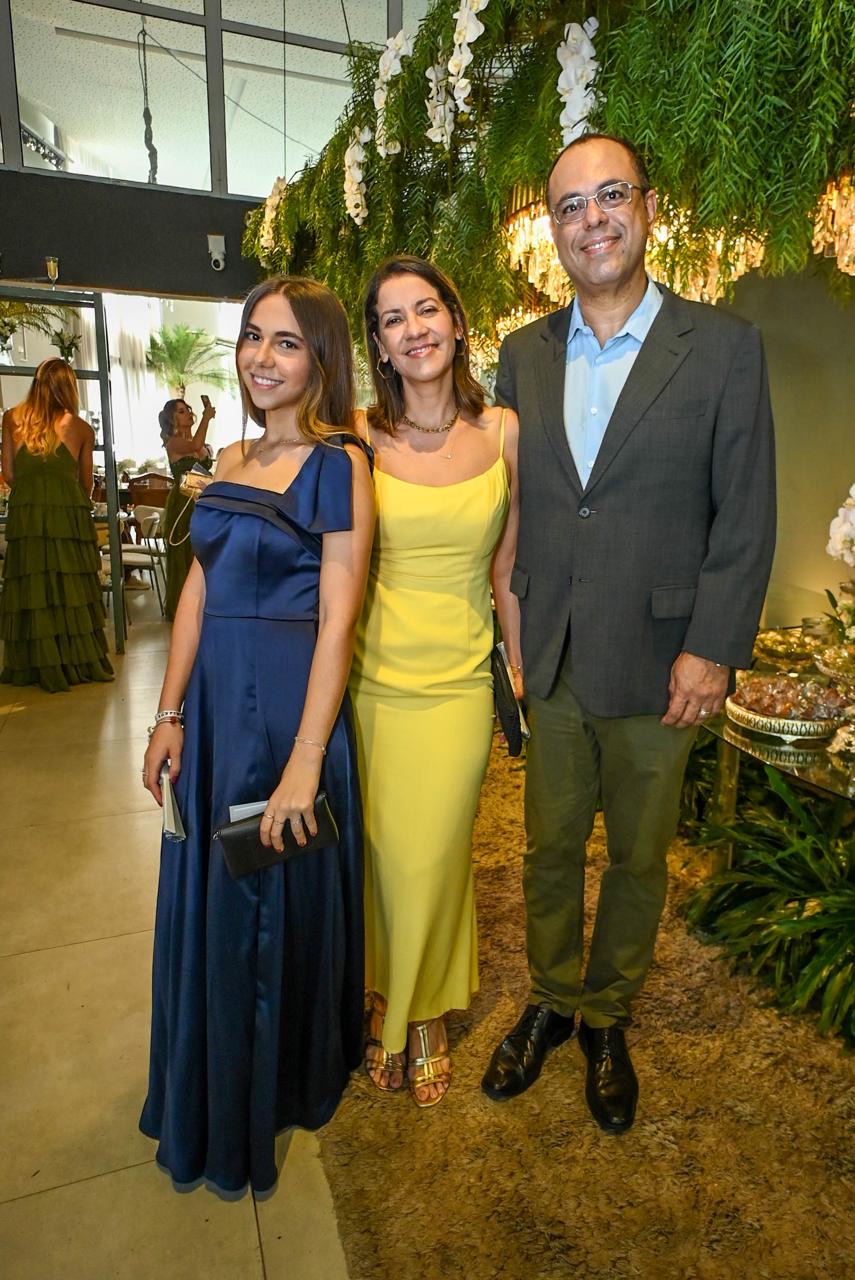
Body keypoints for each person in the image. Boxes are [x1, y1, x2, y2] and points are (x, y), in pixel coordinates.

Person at [481, 134, 776, 1133]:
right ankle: (551, 999)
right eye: (571, 205)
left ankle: (607, 1015)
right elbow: (512, 508)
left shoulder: (723, 347)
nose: (592, 218)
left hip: (663, 659)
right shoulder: (521, 355)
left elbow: (745, 512)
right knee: (548, 848)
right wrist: (509, 636)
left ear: (648, 209)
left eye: (611, 195)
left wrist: (714, 646)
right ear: (553, 230)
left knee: (639, 858)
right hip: (553, 651)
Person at [140, 276, 374, 1193]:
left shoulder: (339, 463)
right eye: (251, 337)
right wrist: (168, 714)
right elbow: (198, 591)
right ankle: (206, 1082)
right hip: (210, 717)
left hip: (284, 715)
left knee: (264, 912)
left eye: (285, 342)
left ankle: (263, 1093)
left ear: (320, 359)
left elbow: (339, 621)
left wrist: (305, 763)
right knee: (210, 899)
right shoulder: (231, 456)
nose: (261, 358)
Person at [350, 256, 521, 1106]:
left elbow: (505, 569)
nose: (413, 329)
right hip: (371, 684)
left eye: (426, 310)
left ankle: (416, 1014)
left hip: (456, 686)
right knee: (384, 857)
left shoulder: (504, 431)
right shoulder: (355, 434)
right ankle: (400, 998)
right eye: (393, 319)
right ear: (378, 347)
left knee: (437, 852)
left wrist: (518, 671)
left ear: (455, 321)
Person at [0, 358, 114, 692]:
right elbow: (86, 483)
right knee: (71, 588)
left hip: (28, 514)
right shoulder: (81, 428)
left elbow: (9, 475)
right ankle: (75, 660)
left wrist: (35, 489)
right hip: (68, 516)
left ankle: (35, 663)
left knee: (32, 586)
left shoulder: (12, 419)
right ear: (69, 388)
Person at [159, 395, 216, 619]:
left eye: (188, 410)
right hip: (183, 503)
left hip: (202, 502)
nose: (188, 414)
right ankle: (185, 609)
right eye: (181, 411)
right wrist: (207, 417)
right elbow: (195, 445)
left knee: (203, 553)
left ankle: (205, 604)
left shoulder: (196, 443)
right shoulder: (174, 442)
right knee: (185, 554)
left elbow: (200, 450)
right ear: (172, 419)